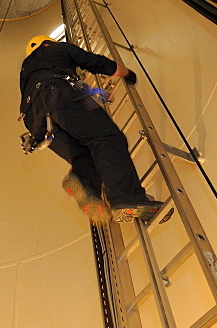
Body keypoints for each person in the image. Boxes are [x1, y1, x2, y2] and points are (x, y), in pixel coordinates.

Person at [19, 35, 163, 223]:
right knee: (107, 139)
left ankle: (81, 178)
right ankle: (128, 200)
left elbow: (61, 87)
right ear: (47, 43)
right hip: (60, 95)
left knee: (86, 155)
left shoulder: (27, 71)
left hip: (36, 124)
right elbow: (92, 62)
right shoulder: (57, 49)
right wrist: (125, 73)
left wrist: (100, 93)